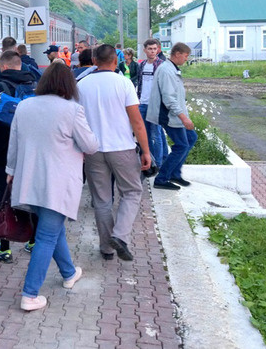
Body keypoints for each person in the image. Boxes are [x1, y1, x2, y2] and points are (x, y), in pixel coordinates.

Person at [6, 61, 99, 311]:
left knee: (52, 230)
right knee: (47, 235)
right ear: (69, 84)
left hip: (29, 182)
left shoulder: (24, 106)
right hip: (57, 184)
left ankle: (69, 273)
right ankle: (30, 294)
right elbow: (90, 145)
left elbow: (13, 143)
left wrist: (10, 172)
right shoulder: (72, 110)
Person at [77, 44, 151, 262]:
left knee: (101, 200)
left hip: (93, 150)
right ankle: (120, 235)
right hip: (122, 148)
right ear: (114, 60)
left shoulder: (82, 85)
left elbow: (76, 119)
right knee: (132, 192)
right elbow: (136, 121)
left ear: (94, 59)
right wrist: (146, 151)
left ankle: (106, 248)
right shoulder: (124, 83)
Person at [0, 50, 37, 263]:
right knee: (31, 194)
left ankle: (4, 247)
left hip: (4, 150)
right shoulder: (35, 84)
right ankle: (33, 241)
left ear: (3, 66)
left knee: (4, 194)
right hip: (31, 149)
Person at [147, 42, 197, 191]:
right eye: (186, 56)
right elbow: (169, 99)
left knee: (191, 138)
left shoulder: (172, 69)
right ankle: (162, 178)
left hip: (174, 115)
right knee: (181, 145)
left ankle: (174, 173)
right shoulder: (166, 71)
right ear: (177, 54)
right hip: (168, 116)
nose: (186, 59)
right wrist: (184, 118)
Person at [137, 38, 167, 171]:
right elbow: (140, 83)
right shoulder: (142, 65)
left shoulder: (162, 65)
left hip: (155, 105)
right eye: (150, 49)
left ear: (158, 49)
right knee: (145, 134)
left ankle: (159, 164)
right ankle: (151, 161)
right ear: (145, 50)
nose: (153, 51)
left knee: (156, 134)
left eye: (155, 49)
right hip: (143, 103)